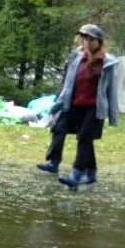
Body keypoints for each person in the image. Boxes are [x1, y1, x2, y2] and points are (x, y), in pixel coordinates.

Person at [42, 24, 119, 189]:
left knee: (84, 138)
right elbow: (68, 83)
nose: (86, 42)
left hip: (94, 107)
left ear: (99, 42)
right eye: (83, 38)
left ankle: (75, 175)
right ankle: (91, 174)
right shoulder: (76, 57)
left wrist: (113, 116)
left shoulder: (108, 62)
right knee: (69, 132)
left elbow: (112, 90)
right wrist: (58, 103)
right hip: (73, 104)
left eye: (90, 39)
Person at [37, 30, 85, 175]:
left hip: (84, 101)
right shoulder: (74, 54)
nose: (83, 40)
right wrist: (60, 97)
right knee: (58, 128)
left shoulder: (95, 58)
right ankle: (53, 162)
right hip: (68, 99)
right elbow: (67, 78)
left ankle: (82, 167)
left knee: (84, 135)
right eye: (81, 37)